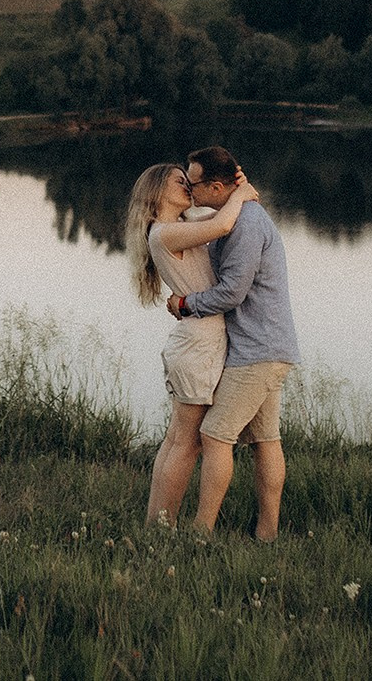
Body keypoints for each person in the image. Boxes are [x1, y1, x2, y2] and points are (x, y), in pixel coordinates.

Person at [167, 145, 300, 540]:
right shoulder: (237, 213)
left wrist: (185, 304)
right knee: (265, 439)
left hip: (256, 352)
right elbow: (197, 222)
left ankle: (201, 531)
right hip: (269, 347)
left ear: (217, 185)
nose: (189, 191)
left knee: (214, 435)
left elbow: (231, 293)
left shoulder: (245, 225)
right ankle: (267, 533)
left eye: (193, 184)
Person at [124, 161, 259, 526]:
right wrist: (244, 193)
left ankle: (156, 523)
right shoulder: (164, 233)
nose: (187, 185)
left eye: (188, 181)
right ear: (157, 191)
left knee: (177, 439)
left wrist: (235, 187)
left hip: (197, 343)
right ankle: (161, 525)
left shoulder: (178, 228)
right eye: (178, 181)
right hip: (198, 346)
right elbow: (223, 224)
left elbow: (222, 219)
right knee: (187, 442)